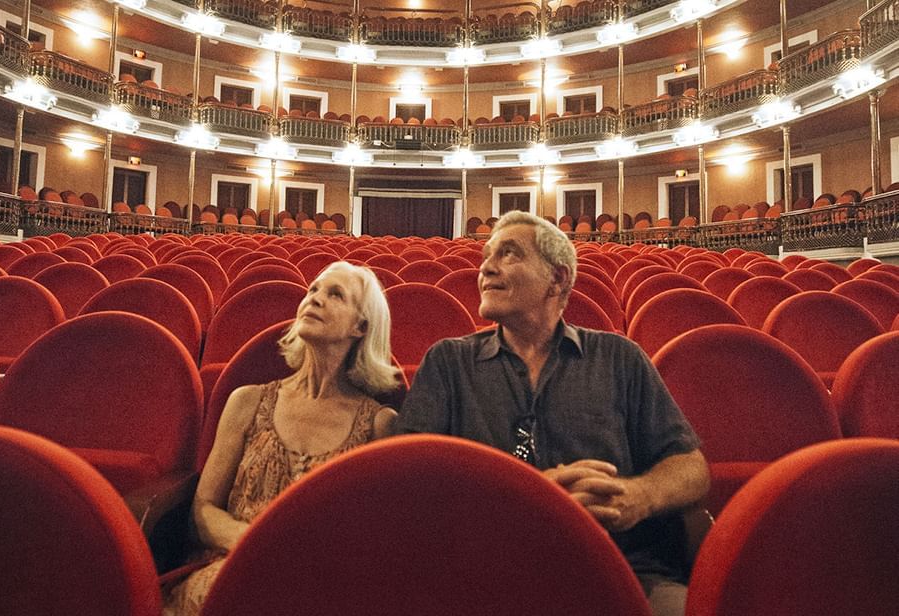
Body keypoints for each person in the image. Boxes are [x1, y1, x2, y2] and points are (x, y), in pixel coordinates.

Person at [394, 211, 710, 616]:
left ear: (558, 279)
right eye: (487, 255)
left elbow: (691, 467)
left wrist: (639, 496)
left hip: (620, 567)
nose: (486, 267)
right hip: (481, 572)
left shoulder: (619, 357)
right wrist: (535, 496)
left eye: (508, 254)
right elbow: (406, 479)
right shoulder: (449, 362)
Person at [165, 261, 401, 615]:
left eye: (335, 294)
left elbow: (376, 538)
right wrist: (254, 544)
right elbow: (203, 509)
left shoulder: (379, 425)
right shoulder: (248, 401)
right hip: (233, 567)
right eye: (313, 290)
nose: (315, 299)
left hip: (323, 585)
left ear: (361, 326)